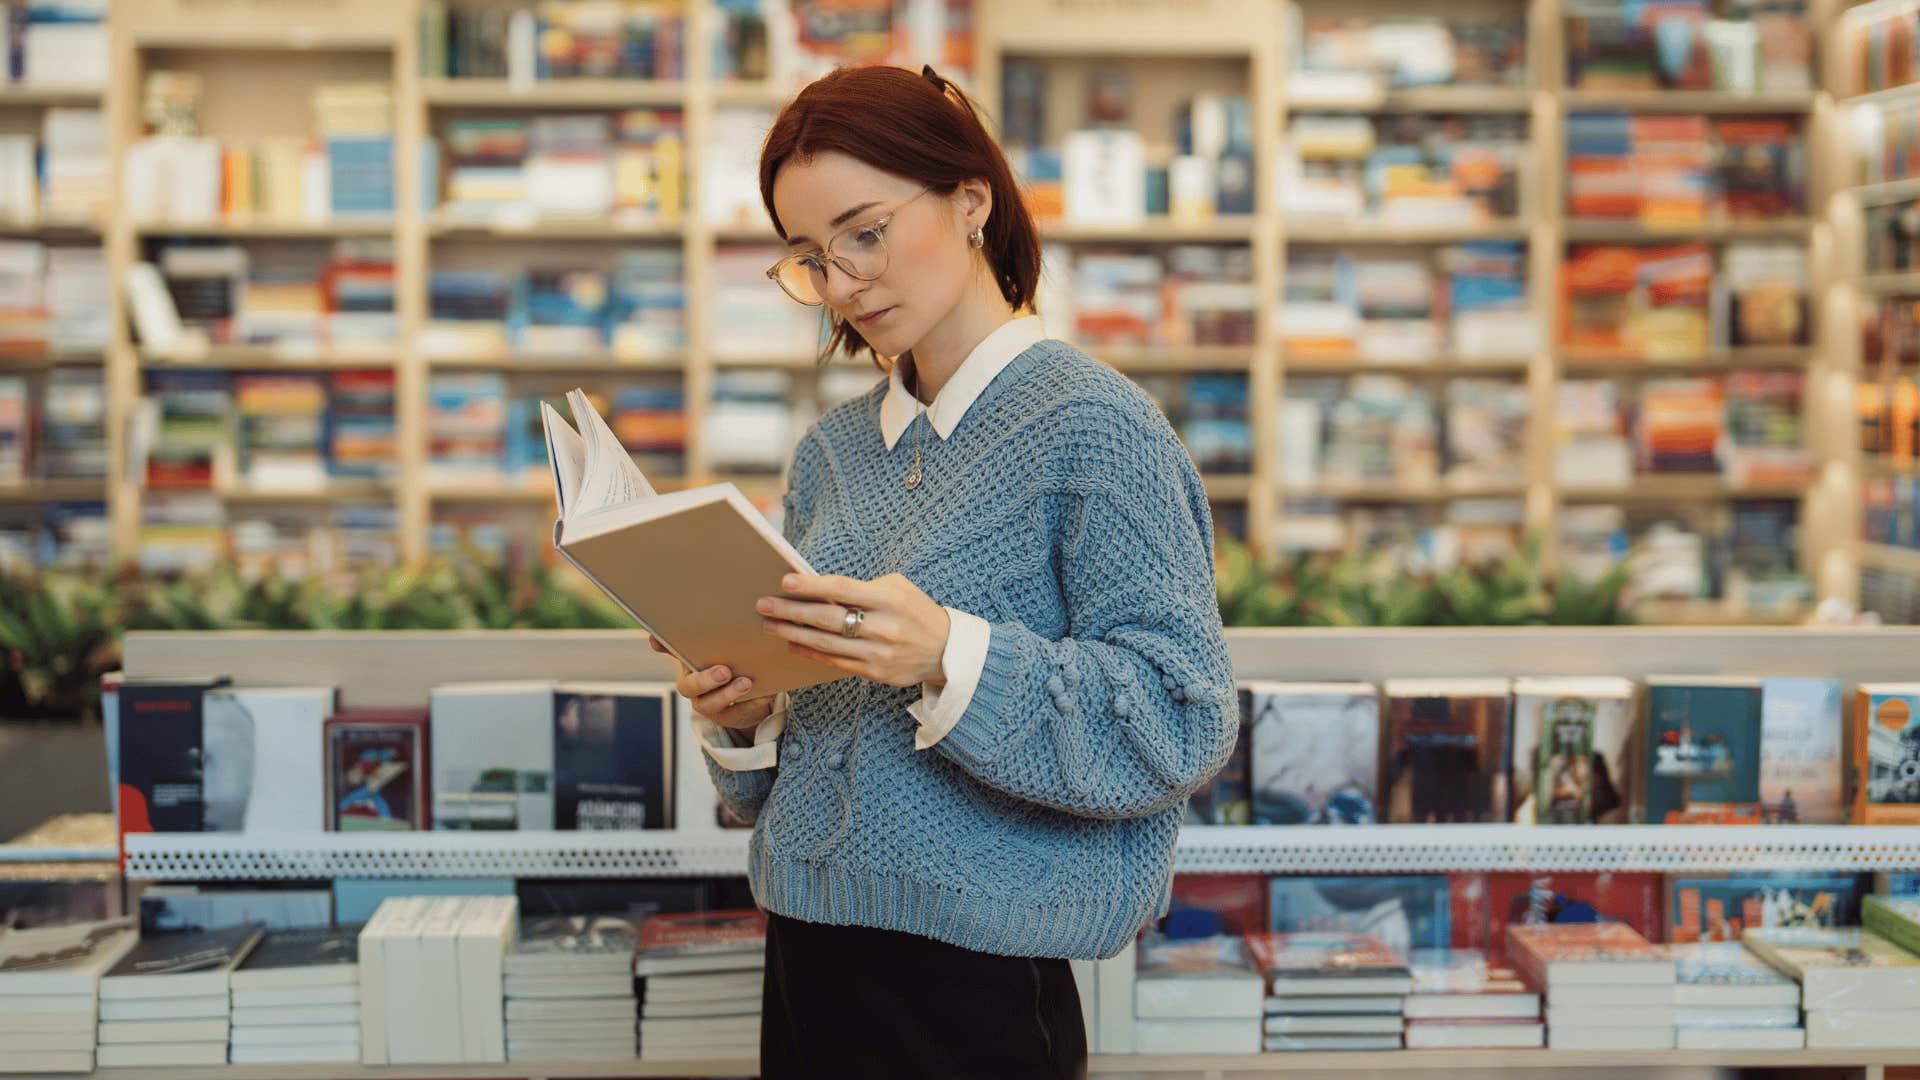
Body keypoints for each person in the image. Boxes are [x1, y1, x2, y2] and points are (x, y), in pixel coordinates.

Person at [648, 62, 1238, 1079]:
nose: (841, 283)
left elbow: (1181, 716)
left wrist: (948, 655)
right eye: (808, 257)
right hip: (805, 955)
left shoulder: (1095, 426)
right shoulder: (832, 451)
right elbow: (785, 782)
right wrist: (740, 713)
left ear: (972, 202)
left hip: (982, 981)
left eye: (865, 233)